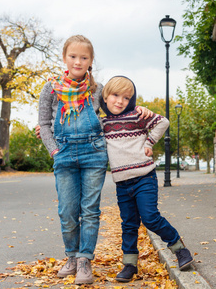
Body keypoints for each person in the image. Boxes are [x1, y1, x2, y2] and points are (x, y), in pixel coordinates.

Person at [37, 35, 152, 285]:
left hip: (93, 155)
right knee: (67, 211)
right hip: (64, 155)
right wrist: (53, 149)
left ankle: (84, 261)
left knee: (90, 210)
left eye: (84, 57)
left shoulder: (97, 89)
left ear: (91, 61)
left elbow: (116, 111)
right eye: (73, 56)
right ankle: (71, 256)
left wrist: (139, 110)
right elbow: (44, 124)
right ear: (65, 58)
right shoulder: (50, 88)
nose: (78, 61)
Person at [100, 76, 194, 283]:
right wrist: (49, 130)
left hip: (144, 178)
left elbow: (163, 122)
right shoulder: (102, 124)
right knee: (129, 224)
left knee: (150, 217)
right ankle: (130, 264)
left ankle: (180, 250)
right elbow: (81, 134)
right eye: (115, 95)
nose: (120, 101)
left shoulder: (137, 115)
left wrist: (149, 142)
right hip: (122, 183)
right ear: (105, 97)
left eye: (126, 97)